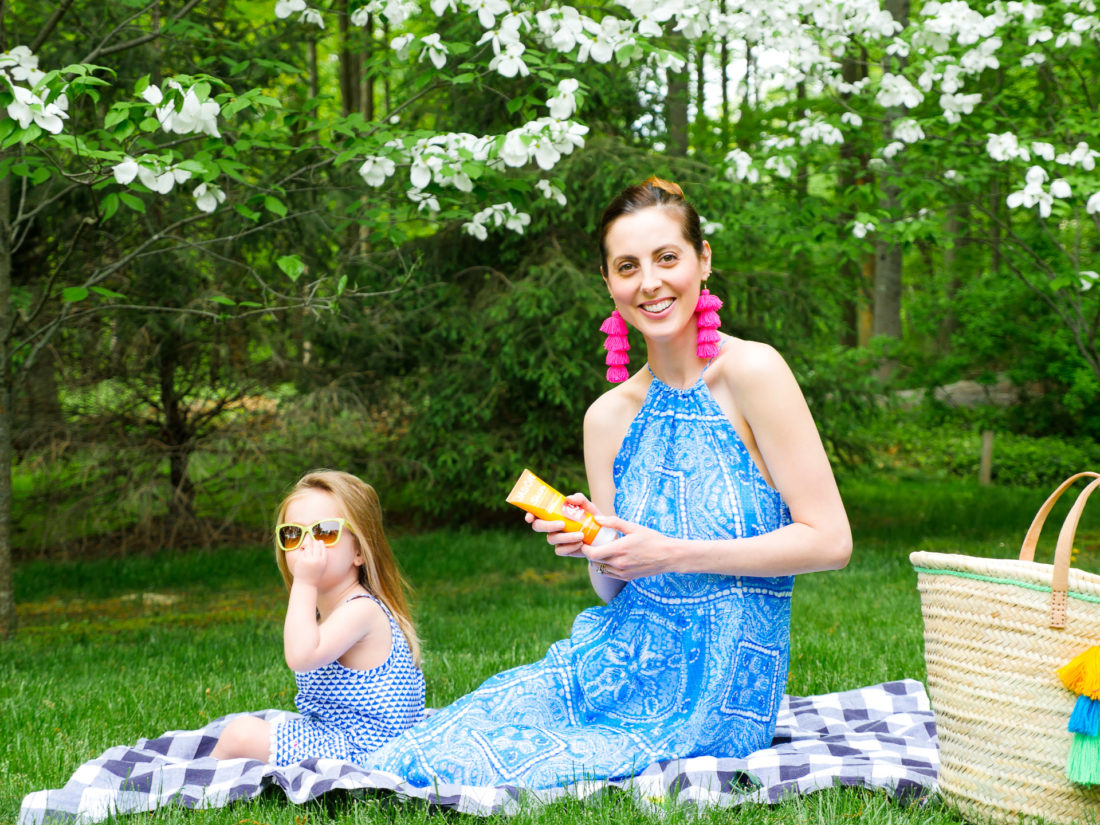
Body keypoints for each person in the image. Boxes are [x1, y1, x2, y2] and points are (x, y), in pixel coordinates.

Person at [361, 176, 851, 787]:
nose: (650, 282)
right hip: (613, 657)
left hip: (719, 696)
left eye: (667, 258)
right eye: (628, 266)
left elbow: (830, 542)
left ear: (703, 260)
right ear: (609, 283)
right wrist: (599, 548)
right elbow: (611, 589)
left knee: (471, 767)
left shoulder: (752, 372)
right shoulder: (608, 416)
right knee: (438, 743)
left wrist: (670, 553)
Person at [212, 470, 424, 765]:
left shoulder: (361, 609)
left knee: (240, 734)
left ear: (359, 552)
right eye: (293, 533)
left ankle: (204, 783)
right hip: (337, 734)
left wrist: (304, 583)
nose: (306, 545)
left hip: (367, 752)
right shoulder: (333, 609)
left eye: (325, 531)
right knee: (244, 728)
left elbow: (301, 656)